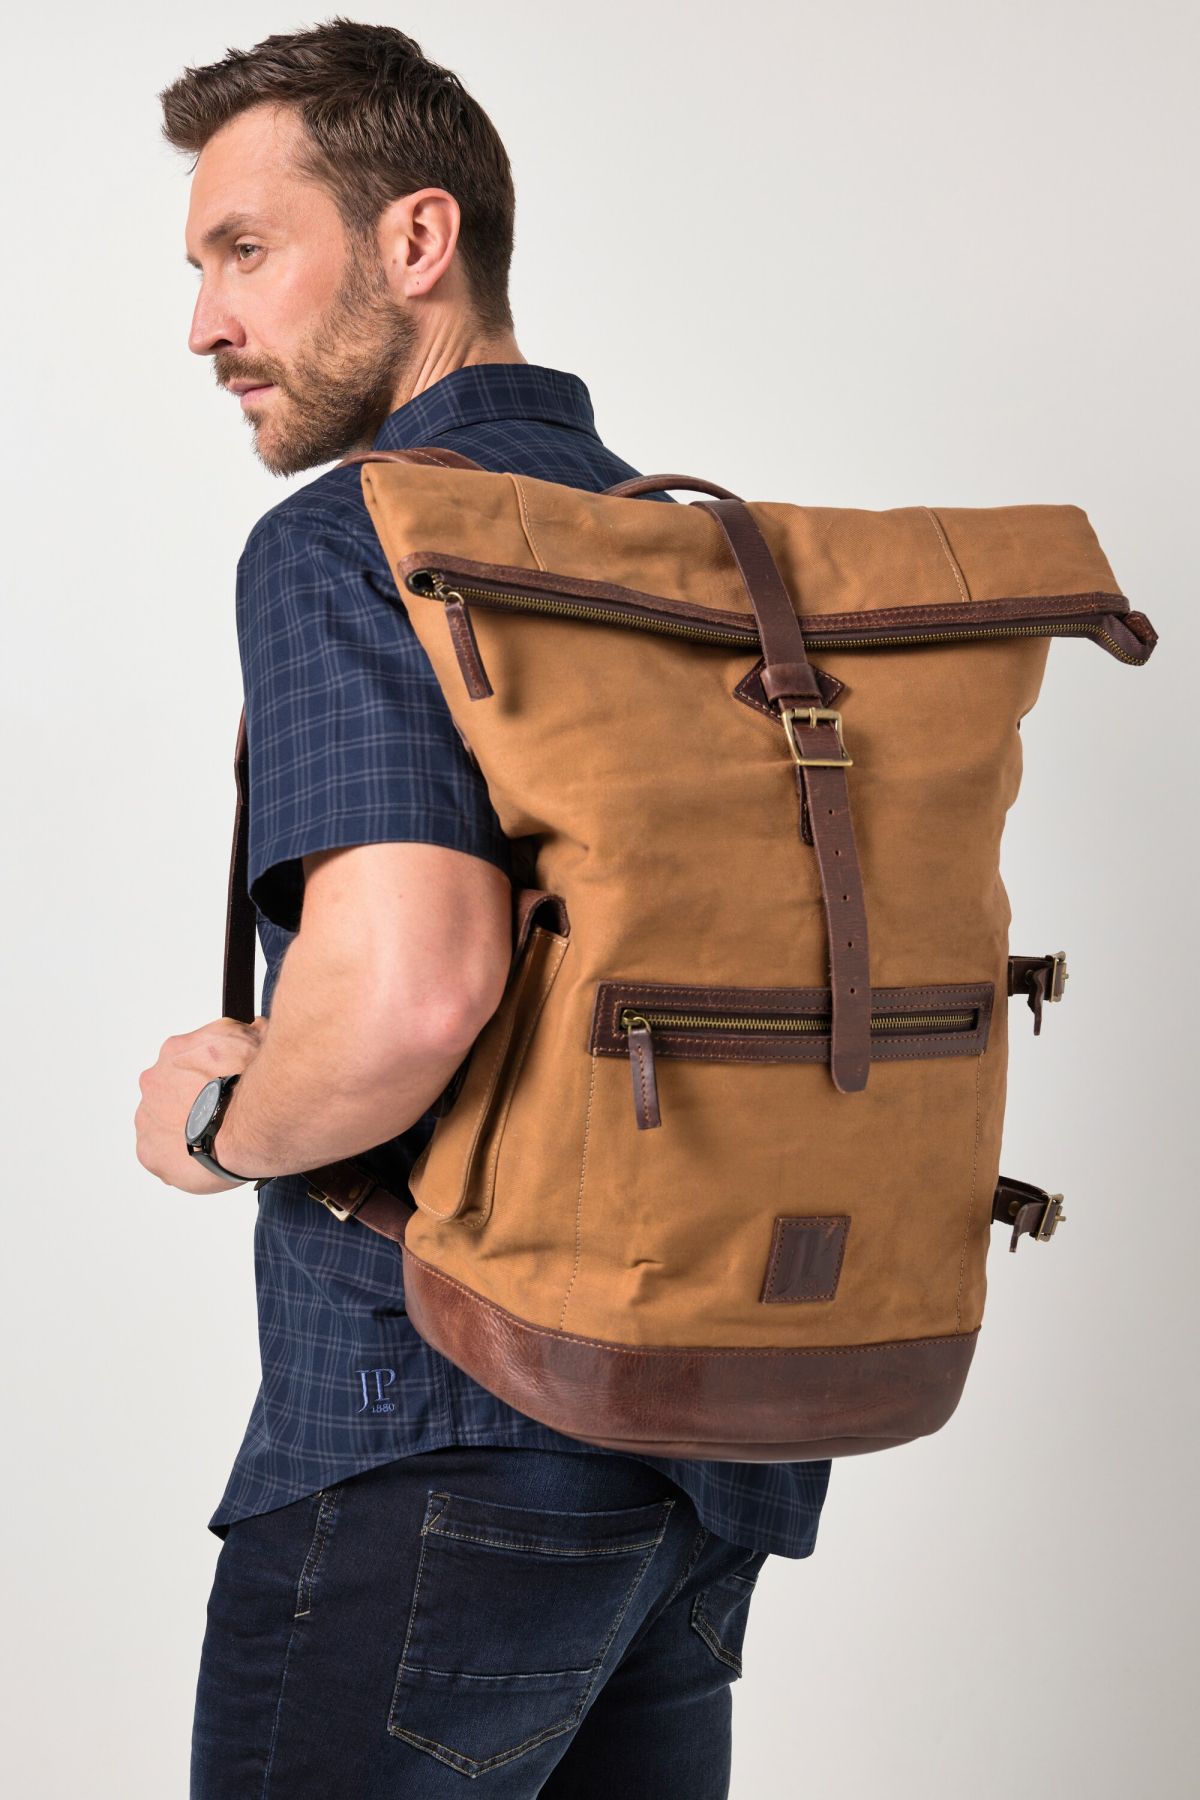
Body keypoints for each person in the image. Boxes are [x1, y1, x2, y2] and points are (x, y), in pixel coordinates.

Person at [136, 21, 832, 1798]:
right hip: (709, 1450)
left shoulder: (356, 536)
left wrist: (220, 1121)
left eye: (246, 249)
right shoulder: (694, 559)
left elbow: (410, 995)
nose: (207, 322)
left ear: (417, 239)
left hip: (435, 1428)